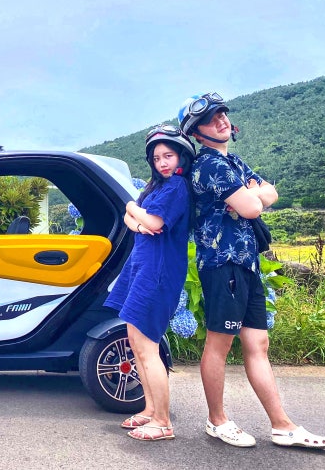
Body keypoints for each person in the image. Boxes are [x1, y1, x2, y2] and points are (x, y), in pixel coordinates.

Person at [178, 92, 325, 449]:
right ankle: (217, 420)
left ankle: (282, 426)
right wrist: (251, 196)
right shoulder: (209, 165)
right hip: (223, 264)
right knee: (219, 342)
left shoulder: (233, 162)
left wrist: (254, 195)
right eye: (210, 118)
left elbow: (270, 193)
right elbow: (251, 208)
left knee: (258, 343)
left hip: (247, 264)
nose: (221, 120)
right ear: (196, 132)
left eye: (222, 114)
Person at [104, 124, 195, 441]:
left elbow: (152, 220)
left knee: (146, 346)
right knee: (136, 342)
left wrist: (132, 207)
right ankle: (149, 409)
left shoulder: (177, 187)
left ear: (181, 155)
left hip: (158, 272)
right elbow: (134, 222)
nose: (162, 163)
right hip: (142, 268)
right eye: (156, 158)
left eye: (168, 155)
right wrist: (137, 218)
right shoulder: (158, 188)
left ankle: (163, 421)